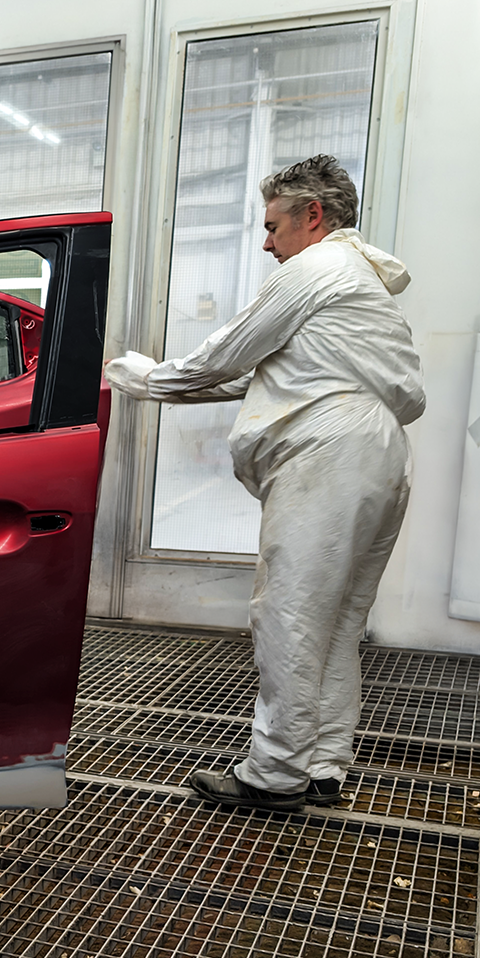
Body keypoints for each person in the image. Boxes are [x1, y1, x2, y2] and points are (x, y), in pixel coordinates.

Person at [105, 154, 424, 813]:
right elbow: (253, 377)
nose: (266, 241)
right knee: (335, 621)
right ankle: (324, 764)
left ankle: (273, 774)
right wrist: (154, 386)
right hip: (378, 452)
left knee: (289, 614)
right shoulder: (352, 280)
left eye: (274, 224)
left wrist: (133, 375)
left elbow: (223, 355)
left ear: (314, 216)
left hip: (330, 455)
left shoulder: (317, 268)